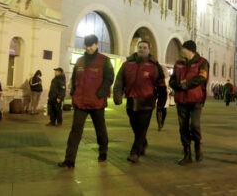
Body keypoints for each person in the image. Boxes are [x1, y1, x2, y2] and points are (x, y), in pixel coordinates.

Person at [58, 34, 114, 168]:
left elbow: (109, 79)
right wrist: (73, 93)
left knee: (100, 130)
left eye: (91, 45)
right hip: (80, 103)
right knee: (75, 131)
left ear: (96, 45)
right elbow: (74, 79)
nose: (88, 48)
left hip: (97, 103)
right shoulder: (80, 61)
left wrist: (100, 94)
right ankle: (69, 160)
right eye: (87, 45)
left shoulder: (104, 60)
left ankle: (103, 151)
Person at [113, 40, 167, 163]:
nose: (142, 49)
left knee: (142, 128)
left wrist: (161, 103)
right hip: (131, 101)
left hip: (147, 102)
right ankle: (143, 142)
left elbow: (161, 85)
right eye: (140, 47)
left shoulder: (154, 66)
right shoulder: (127, 64)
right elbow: (119, 80)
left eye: (145, 47)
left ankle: (135, 152)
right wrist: (117, 95)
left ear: (149, 50)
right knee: (135, 127)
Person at [169, 40, 209, 166]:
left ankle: (198, 145)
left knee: (195, 125)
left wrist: (186, 84)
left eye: (183, 49)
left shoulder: (202, 62)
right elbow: (172, 80)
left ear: (190, 50)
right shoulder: (178, 63)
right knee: (183, 127)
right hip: (181, 100)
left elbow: (202, 78)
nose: (181, 51)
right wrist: (176, 85)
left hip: (196, 99)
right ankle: (187, 153)